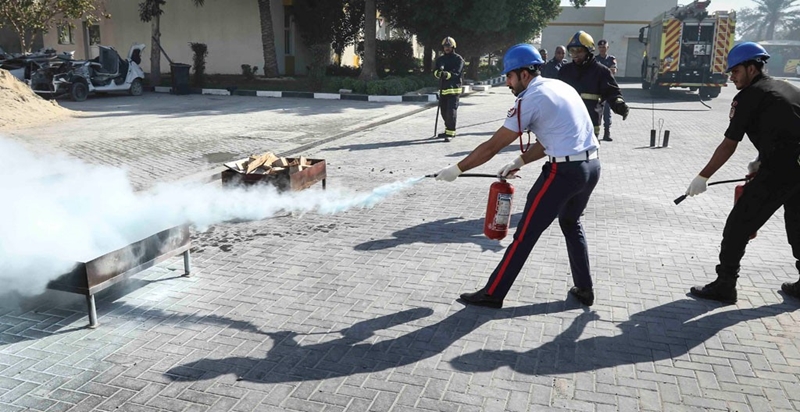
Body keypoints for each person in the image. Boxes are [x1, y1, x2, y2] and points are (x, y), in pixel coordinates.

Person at [434, 43, 601, 308]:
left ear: (525, 74)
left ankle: (493, 293)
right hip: (591, 168)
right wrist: (519, 160)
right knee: (571, 223)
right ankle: (584, 288)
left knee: (525, 234)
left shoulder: (530, 99)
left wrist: (457, 169)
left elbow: (492, 146)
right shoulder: (560, 87)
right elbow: (554, 137)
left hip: (563, 173)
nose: (507, 83)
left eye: (510, 76)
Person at [685, 41, 800, 304]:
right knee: (798, 223)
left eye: (735, 72)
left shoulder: (749, 96)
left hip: (780, 171)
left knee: (738, 225)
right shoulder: (787, 87)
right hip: (795, 168)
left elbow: (729, 143)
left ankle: (725, 284)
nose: (732, 78)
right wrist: (762, 158)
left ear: (751, 68)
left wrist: (703, 176)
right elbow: (788, 127)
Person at [558, 31, 629, 140]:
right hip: (567, 125)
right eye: (572, 51)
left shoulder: (601, 71)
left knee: (588, 156)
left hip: (590, 127)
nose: (575, 54)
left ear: (589, 51)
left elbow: (612, 92)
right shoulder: (565, 71)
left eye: (579, 50)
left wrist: (619, 105)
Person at [433, 36, 465, 142]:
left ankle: (451, 133)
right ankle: (448, 130)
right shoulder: (440, 60)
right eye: (445, 46)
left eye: (449, 46)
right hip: (443, 90)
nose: (447, 48)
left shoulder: (458, 59)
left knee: (451, 112)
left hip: (454, 90)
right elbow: (435, 71)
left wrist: (447, 74)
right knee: (443, 112)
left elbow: (457, 72)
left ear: (453, 47)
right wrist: (439, 73)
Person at [595, 39, 618, 141]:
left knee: (607, 112)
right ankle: (594, 133)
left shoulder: (611, 59)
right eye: (600, 47)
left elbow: (613, 71)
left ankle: (607, 133)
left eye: (604, 47)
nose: (602, 49)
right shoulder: (594, 59)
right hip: (597, 89)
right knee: (595, 111)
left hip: (608, 89)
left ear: (607, 48)